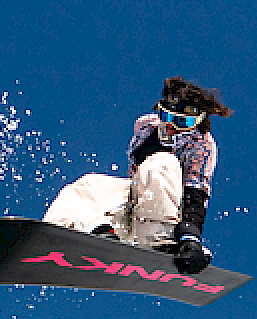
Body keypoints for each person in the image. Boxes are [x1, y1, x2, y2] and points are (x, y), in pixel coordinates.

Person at [44, 77, 232, 273]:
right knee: (88, 184)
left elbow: (195, 194)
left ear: (198, 121)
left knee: (162, 162)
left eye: (182, 122)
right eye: (167, 117)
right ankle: (79, 229)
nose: (171, 126)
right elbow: (136, 181)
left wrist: (190, 238)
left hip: (166, 219)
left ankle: (160, 241)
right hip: (135, 205)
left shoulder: (201, 145)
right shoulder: (146, 126)